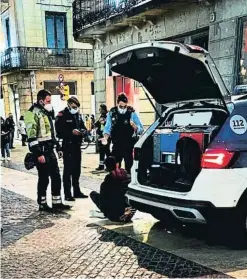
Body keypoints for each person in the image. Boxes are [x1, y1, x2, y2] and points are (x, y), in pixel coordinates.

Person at [24, 89, 71, 212]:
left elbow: (51, 133)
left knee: (56, 176)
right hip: (41, 151)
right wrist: (38, 153)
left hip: (50, 150)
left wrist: (58, 147)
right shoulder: (31, 113)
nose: (50, 103)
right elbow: (31, 135)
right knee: (44, 178)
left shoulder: (46, 112)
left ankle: (57, 202)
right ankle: (42, 203)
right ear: (41, 100)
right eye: (48, 101)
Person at [55, 96, 88, 201]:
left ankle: (77, 191)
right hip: (67, 146)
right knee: (68, 171)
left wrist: (82, 132)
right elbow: (58, 132)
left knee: (77, 170)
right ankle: (68, 194)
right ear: (68, 105)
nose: (75, 109)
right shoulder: (62, 115)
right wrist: (70, 132)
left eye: (77, 107)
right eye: (73, 106)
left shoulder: (77, 115)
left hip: (77, 146)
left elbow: (84, 128)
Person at [103, 93, 144, 174]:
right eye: (121, 106)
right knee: (115, 167)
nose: (123, 108)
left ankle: (128, 182)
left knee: (129, 166)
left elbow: (141, 129)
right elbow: (107, 128)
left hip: (128, 145)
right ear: (118, 103)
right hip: (116, 144)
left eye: (124, 106)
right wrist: (105, 137)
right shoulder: (112, 113)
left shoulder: (131, 112)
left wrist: (135, 126)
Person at [90, 156, 136, 222]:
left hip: (113, 213)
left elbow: (103, 202)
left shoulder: (106, 183)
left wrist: (105, 212)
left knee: (93, 194)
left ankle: (116, 214)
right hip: (127, 205)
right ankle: (126, 211)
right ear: (117, 164)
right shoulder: (128, 177)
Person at [94, 104, 110, 171]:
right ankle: (101, 165)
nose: (99, 110)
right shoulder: (103, 116)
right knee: (102, 151)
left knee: (106, 151)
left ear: (103, 109)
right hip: (102, 136)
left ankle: (109, 166)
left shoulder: (106, 116)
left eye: (100, 109)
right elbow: (97, 124)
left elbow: (101, 124)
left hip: (105, 136)